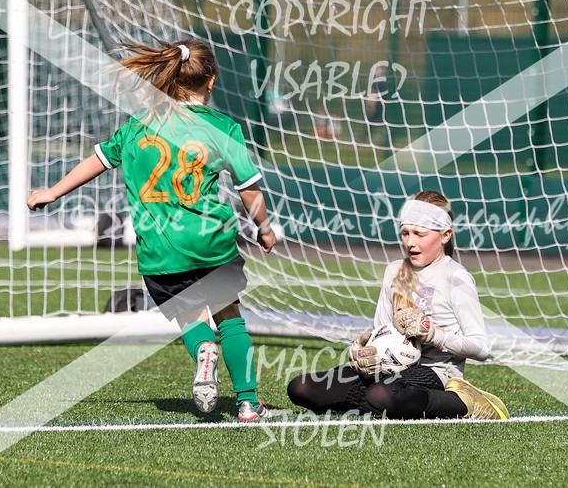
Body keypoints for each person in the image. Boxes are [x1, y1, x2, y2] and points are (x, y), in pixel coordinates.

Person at [27, 39, 276, 421]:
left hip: (160, 250)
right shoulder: (223, 128)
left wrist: (53, 191)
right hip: (211, 241)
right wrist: (264, 227)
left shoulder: (138, 126)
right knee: (230, 315)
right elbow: (249, 189)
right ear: (211, 81)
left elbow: (98, 160)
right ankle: (247, 403)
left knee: (190, 318)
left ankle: (203, 350)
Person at [287, 191, 509, 420]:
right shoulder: (394, 270)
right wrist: (364, 350)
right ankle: (378, 404)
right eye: (405, 233)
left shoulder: (456, 276)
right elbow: (382, 331)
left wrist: (433, 335)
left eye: (419, 234)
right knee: (301, 388)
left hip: (435, 372)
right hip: (387, 370)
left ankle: (464, 403)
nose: (410, 242)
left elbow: (481, 348)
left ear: (446, 235)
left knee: (381, 394)